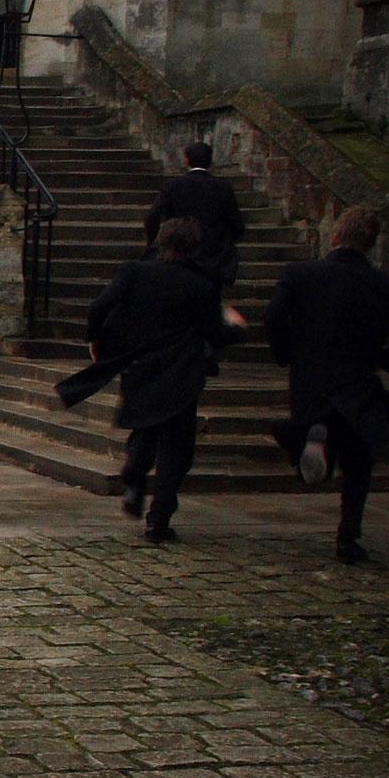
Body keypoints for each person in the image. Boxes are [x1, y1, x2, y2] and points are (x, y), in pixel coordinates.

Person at [56, 218, 245, 544]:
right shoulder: (201, 285)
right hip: (181, 371)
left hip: (140, 364)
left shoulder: (135, 272)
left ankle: (133, 475)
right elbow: (214, 332)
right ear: (193, 247)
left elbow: (100, 306)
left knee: (145, 426)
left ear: (160, 241)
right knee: (177, 445)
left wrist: (96, 340)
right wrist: (235, 326)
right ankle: (158, 518)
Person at [266, 205, 389, 565]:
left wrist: (288, 352)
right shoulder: (387, 285)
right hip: (357, 377)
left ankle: (312, 439)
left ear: (335, 236)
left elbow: (274, 318)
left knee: (314, 428)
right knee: (359, 460)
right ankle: (348, 535)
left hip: (312, 376)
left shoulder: (301, 274)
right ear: (371, 244)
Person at [145, 141, 245, 289]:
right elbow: (236, 222)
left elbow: (153, 215)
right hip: (213, 253)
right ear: (210, 161)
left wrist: (154, 241)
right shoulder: (223, 187)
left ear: (187, 160)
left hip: (179, 250)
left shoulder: (173, 185)